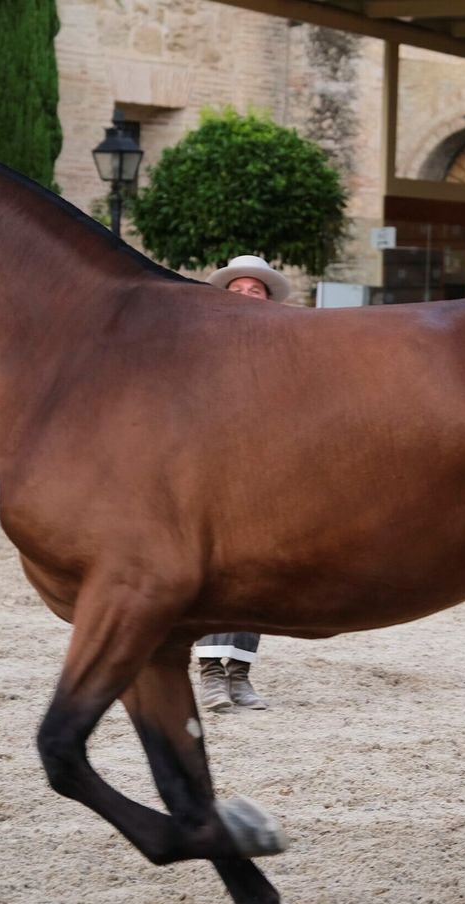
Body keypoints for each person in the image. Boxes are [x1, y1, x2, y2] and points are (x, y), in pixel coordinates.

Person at [193, 254, 292, 713]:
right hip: (214, 469)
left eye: (256, 291)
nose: (247, 298)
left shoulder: (285, 349)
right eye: (239, 291)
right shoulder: (202, 346)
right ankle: (211, 673)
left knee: (257, 573)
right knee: (218, 571)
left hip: (267, 471)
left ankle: (240, 675)